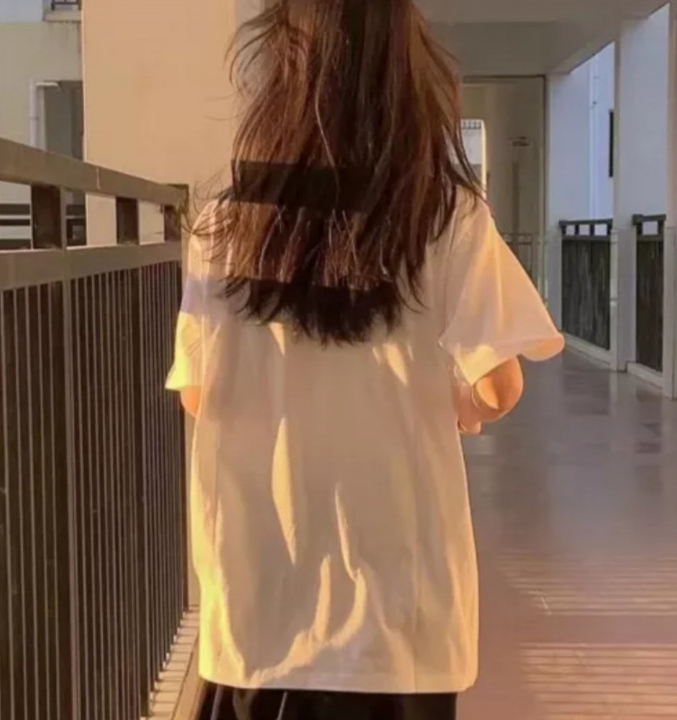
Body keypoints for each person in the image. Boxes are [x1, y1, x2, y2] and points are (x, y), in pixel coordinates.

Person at [167, 1, 564, 718]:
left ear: (283, 68)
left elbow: (200, 395)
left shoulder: (224, 223)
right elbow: (498, 387)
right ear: (402, 69)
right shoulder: (444, 214)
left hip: (262, 605)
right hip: (400, 620)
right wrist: (446, 398)